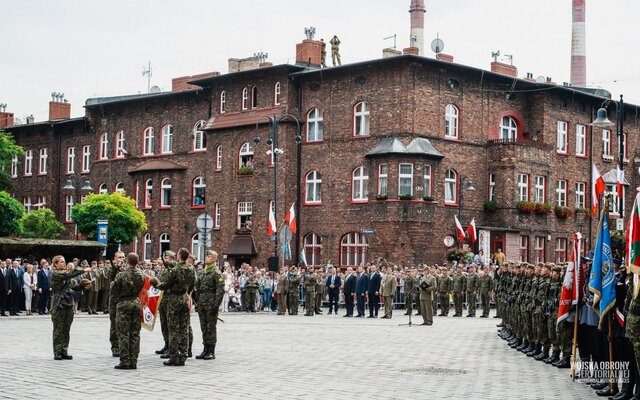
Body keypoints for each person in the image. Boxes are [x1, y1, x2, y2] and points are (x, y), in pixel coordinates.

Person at [150, 248, 194, 367]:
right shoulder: (191, 268)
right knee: (184, 328)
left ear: (179, 256)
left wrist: (156, 285)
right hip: (184, 298)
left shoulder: (175, 270)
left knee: (173, 328)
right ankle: (183, 355)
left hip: (174, 299)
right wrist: (186, 293)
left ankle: (174, 357)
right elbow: (193, 284)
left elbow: (166, 285)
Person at [50, 255, 90, 360]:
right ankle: (57, 351)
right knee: (58, 329)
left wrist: (83, 286)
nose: (63, 263)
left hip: (68, 304)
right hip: (59, 304)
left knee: (66, 328)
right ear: (55, 264)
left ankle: (64, 350)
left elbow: (74, 287)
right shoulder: (56, 274)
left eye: (64, 261)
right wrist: (83, 270)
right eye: (61, 262)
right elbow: (68, 275)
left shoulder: (67, 275)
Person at [112, 253, 145, 370]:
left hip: (124, 303)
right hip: (136, 302)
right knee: (135, 333)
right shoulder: (141, 274)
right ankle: (134, 360)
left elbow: (114, 290)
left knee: (123, 333)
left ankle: (125, 360)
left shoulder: (122, 275)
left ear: (127, 261)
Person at [195, 250, 225, 360]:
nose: (206, 258)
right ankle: (205, 349)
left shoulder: (216, 273)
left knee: (211, 327)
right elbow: (198, 289)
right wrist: (197, 303)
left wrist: (216, 306)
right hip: (202, 303)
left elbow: (219, 291)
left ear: (214, 259)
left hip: (211, 303)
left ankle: (211, 351)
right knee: (203, 327)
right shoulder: (202, 272)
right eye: (206, 256)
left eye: (209, 256)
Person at [155, 251, 176, 357]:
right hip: (162, 299)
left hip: (169, 298)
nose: (164, 260)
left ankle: (171, 347)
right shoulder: (163, 269)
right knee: (164, 323)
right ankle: (166, 344)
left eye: (166, 258)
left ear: (171, 258)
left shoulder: (172, 269)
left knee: (169, 324)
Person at [109, 251, 126, 357]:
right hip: (115, 301)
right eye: (119, 257)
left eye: (123, 257)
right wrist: (116, 267)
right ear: (115, 259)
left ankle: (122, 346)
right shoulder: (112, 269)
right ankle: (115, 347)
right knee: (115, 324)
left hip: (124, 301)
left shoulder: (126, 269)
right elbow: (111, 278)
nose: (122, 259)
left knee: (123, 325)